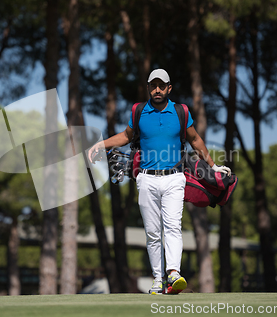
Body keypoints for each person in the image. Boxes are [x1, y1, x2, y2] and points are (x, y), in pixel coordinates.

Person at [88, 69, 231, 295]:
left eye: (161, 85)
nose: (157, 89)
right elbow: (126, 136)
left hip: (175, 178)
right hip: (146, 179)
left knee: (173, 226)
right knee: (153, 233)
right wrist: (101, 144)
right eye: (153, 85)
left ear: (168, 88)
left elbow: (194, 139)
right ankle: (158, 279)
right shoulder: (138, 111)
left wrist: (213, 166)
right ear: (148, 88)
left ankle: (173, 273)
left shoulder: (180, 111)